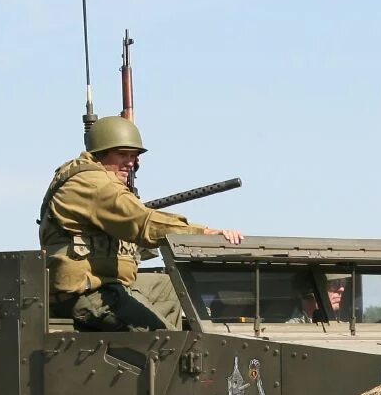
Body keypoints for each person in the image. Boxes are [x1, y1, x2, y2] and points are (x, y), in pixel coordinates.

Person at [40, 115, 242, 331]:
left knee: (168, 286)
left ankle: (167, 348)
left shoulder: (100, 181)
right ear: (99, 154)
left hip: (106, 284)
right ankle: (168, 348)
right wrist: (202, 233)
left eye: (133, 156)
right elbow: (142, 223)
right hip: (85, 294)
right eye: (122, 154)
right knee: (165, 340)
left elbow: (132, 239)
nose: (130, 162)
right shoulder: (92, 183)